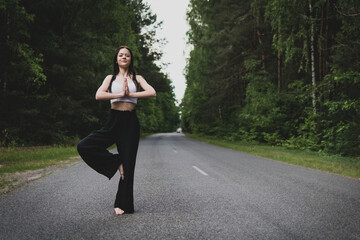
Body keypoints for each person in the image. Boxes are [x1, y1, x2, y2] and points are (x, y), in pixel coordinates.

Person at [77, 46, 156, 215]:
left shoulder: (137, 78)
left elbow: (152, 92)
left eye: (127, 55)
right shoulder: (110, 78)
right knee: (84, 146)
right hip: (114, 120)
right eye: (121, 55)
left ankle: (124, 204)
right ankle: (115, 162)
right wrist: (121, 93)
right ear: (116, 59)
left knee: (129, 166)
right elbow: (99, 95)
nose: (124, 57)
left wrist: (131, 95)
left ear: (130, 59)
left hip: (130, 123)